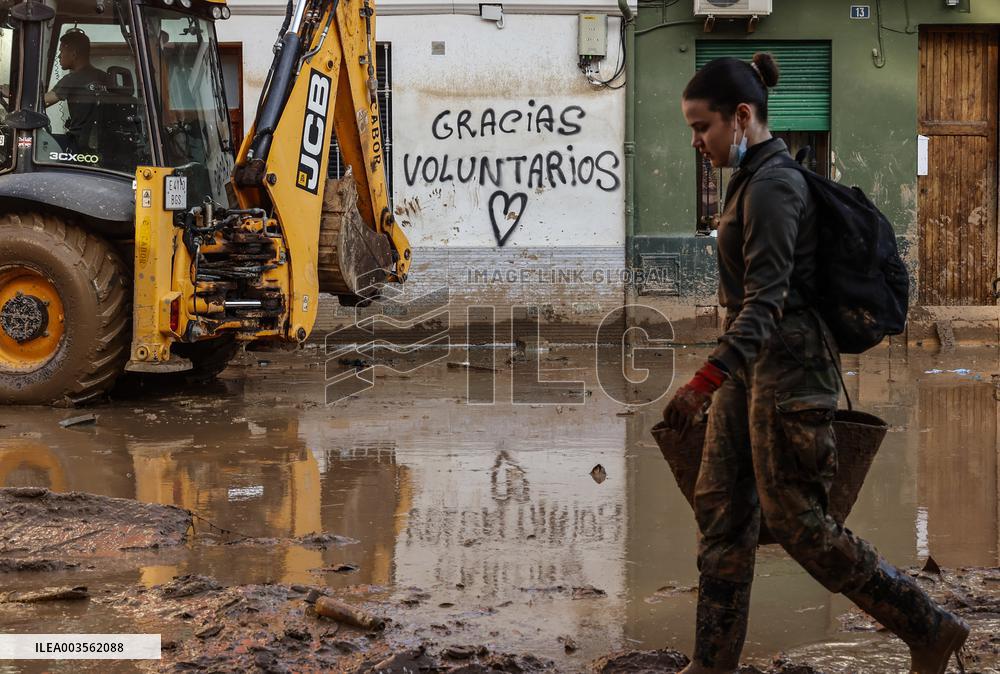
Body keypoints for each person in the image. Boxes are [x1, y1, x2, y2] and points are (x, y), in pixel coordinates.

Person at [663, 53, 969, 674]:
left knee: (800, 524)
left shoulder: (776, 186)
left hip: (790, 369)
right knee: (721, 515)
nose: (696, 141)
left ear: (741, 117)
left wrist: (703, 380)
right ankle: (711, 663)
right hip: (750, 368)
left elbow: (767, 304)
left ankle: (930, 627)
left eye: (703, 127)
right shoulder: (748, 181)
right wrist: (722, 377)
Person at [43, 28, 113, 153]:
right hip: (104, 144)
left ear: (74, 54)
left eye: (61, 51)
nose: (59, 56)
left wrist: (13, 94)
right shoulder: (105, 77)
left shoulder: (72, 79)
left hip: (79, 144)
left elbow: (41, 102)